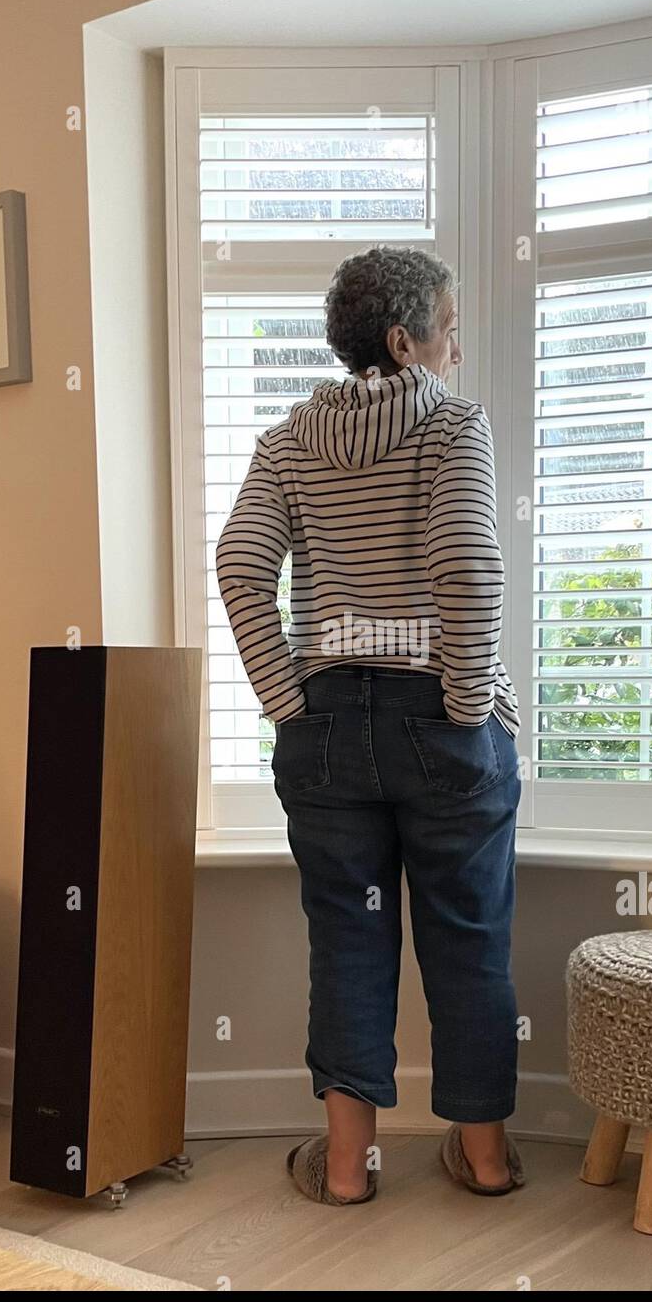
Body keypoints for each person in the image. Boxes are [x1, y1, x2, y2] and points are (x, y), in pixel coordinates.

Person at [215, 245, 523, 1204]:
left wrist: (286, 702)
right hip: (438, 717)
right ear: (405, 339)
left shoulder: (288, 440)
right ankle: (484, 1160)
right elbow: (468, 574)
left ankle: (346, 1170)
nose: (457, 349)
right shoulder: (450, 428)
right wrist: (467, 708)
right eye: (450, 328)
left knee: (348, 941)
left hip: (330, 726)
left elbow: (238, 568)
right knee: (468, 939)